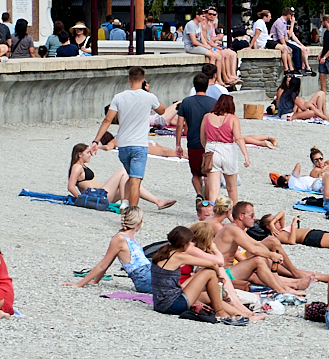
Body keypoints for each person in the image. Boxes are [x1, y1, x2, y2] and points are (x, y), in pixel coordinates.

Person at [95, 67, 163, 212]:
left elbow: (108, 119)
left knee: (131, 177)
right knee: (136, 180)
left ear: (129, 79)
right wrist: (149, 93)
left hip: (123, 144)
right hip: (139, 144)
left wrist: (96, 141)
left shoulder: (119, 97)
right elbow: (162, 110)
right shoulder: (149, 97)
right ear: (143, 80)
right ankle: (132, 211)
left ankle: (125, 202)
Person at [71, 207, 155, 292]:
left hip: (148, 273)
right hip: (144, 278)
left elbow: (106, 264)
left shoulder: (129, 238)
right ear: (139, 222)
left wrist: (96, 280)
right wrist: (81, 284)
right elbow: (103, 264)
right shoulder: (120, 238)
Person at [175, 72, 219, 203]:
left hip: (193, 142)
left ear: (194, 86)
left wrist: (178, 144)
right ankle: (207, 199)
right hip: (209, 143)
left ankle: (199, 194)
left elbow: (179, 125)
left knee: (196, 173)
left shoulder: (186, 102)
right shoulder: (213, 103)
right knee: (208, 174)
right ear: (207, 86)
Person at [201, 93, 247, 207]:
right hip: (228, 150)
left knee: (213, 189)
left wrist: (207, 148)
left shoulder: (207, 116)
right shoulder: (232, 118)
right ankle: (235, 214)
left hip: (211, 149)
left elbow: (202, 137)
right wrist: (246, 155)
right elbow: (238, 138)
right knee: (232, 188)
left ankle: (211, 213)